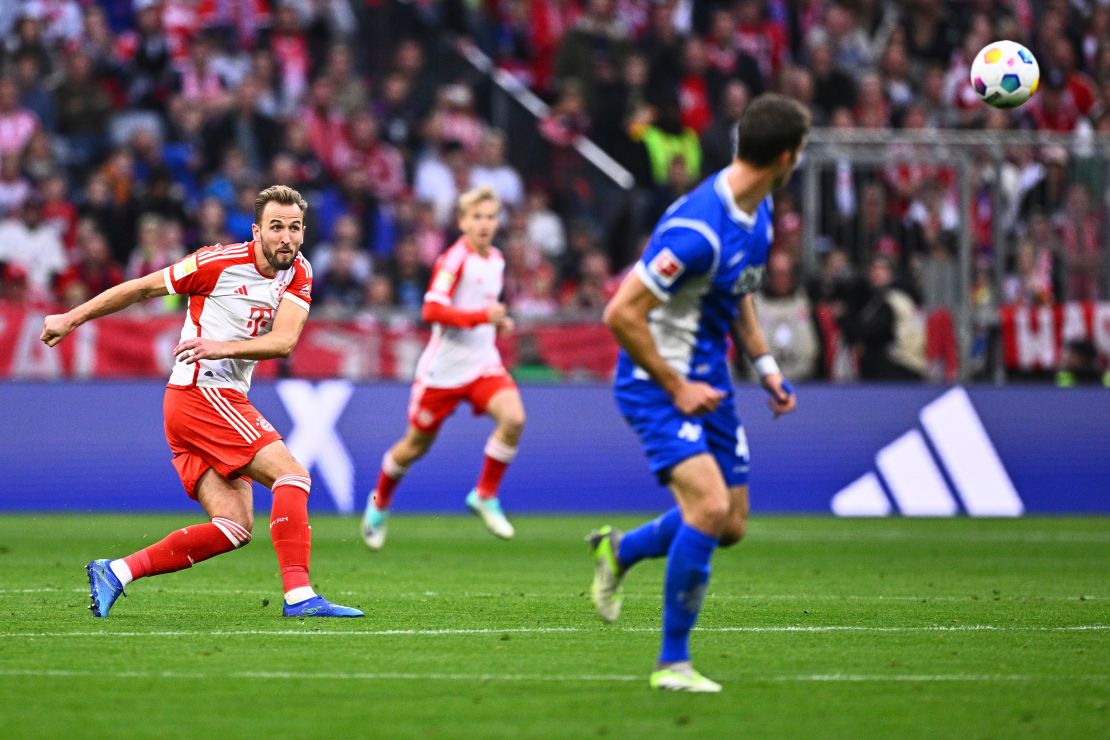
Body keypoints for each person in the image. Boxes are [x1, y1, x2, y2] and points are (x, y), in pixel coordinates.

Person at [40, 185, 363, 619]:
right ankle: (300, 596)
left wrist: (222, 346)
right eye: (276, 228)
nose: (286, 237)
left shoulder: (299, 272)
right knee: (292, 477)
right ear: (256, 231)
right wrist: (70, 317)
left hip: (205, 397)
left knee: (234, 526)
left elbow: (284, 341)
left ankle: (115, 571)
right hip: (200, 392)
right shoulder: (217, 262)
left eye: (294, 228)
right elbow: (142, 288)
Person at [588, 94, 808, 693]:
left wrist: (765, 367)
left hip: (709, 382)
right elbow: (620, 313)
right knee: (707, 509)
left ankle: (620, 553)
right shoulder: (695, 231)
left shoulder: (757, 214)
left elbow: (739, 295)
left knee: (730, 523)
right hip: (655, 382)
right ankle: (672, 664)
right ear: (786, 156)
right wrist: (675, 384)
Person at [361, 186, 523, 550]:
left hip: (483, 364)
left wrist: (497, 322)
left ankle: (484, 494)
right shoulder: (454, 259)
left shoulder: (496, 259)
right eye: (476, 217)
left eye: (490, 217)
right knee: (414, 447)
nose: (484, 224)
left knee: (514, 419)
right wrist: (483, 315)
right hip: (443, 372)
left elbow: (480, 307)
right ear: (462, 222)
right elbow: (432, 310)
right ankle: (380, 502)